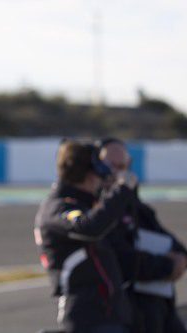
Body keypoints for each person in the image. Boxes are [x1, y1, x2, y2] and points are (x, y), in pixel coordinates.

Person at [34, 139, 138, 333]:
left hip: (106, 315)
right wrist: (121, 190)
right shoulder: (59, 207)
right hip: (89, 318)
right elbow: (90, 227)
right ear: (89, 173)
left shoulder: (82, 205)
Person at [98, 138, 187, 333]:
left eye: (121, 166)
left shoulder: (137, 207)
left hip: (159, 309)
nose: (116, 173)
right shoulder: (99, 214)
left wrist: (182, 259)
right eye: (110, 166)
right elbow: (123, 261)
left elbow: (174, 245)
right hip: (127, 315)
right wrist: (168, 265)